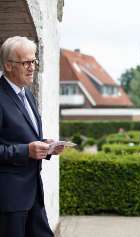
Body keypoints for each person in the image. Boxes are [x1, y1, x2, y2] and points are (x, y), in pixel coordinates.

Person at [0, 36, 64, 236]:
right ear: (9, 66)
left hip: (34, 194)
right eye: (26, 62)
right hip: (9, 201)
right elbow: (22, 148)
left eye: (34, 61)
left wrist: (47, 147)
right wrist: (26, 151)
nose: (32, 67)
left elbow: (25, 139)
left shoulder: (27, 95)